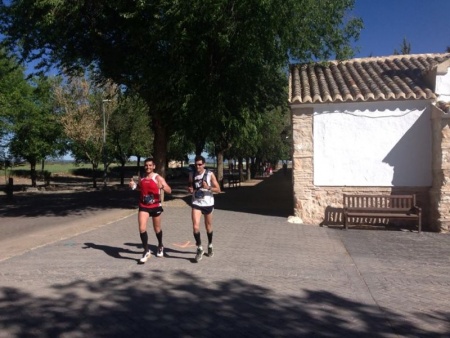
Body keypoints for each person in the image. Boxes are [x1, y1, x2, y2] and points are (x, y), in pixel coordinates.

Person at [129, 158, 172, 264]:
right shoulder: (142, 178)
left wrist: (161, 186)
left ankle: (160, 245)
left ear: (154, 166)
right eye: (146, 165)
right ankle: (146, 250)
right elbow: (141, 188)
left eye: (150, 165)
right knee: (142, 228)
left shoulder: (158, 177)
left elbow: (169, 190)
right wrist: (133, 186)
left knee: (157, 229)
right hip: (143, 205)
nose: (148, 167)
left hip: (156, 206)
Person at [188, 155, 220, 262]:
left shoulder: (209, 174)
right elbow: (190, 186)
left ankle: (210, 245)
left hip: (207, 203)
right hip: (196, 203)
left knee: (208, 226)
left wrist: (208, 187)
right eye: (196, 164)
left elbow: (218, 189)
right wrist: (190, 189)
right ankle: (199, 248)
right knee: (195, 226)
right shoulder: (192, 174)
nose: (197, 166)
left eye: (200, 164)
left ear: (204, 164)